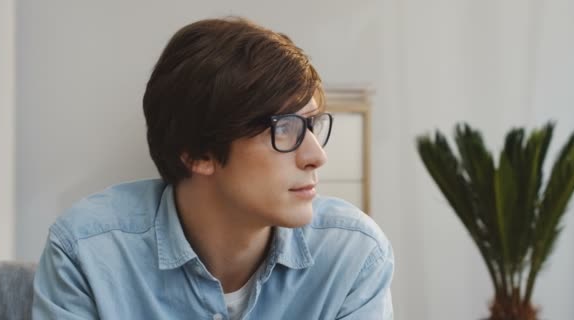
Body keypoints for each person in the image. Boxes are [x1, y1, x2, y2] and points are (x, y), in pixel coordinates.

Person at [32, 17, 394, 320]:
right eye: (284, 128)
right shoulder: (88, 253)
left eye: (311, 124)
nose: (316, 156)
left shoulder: (352, 254)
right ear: (196, 153)